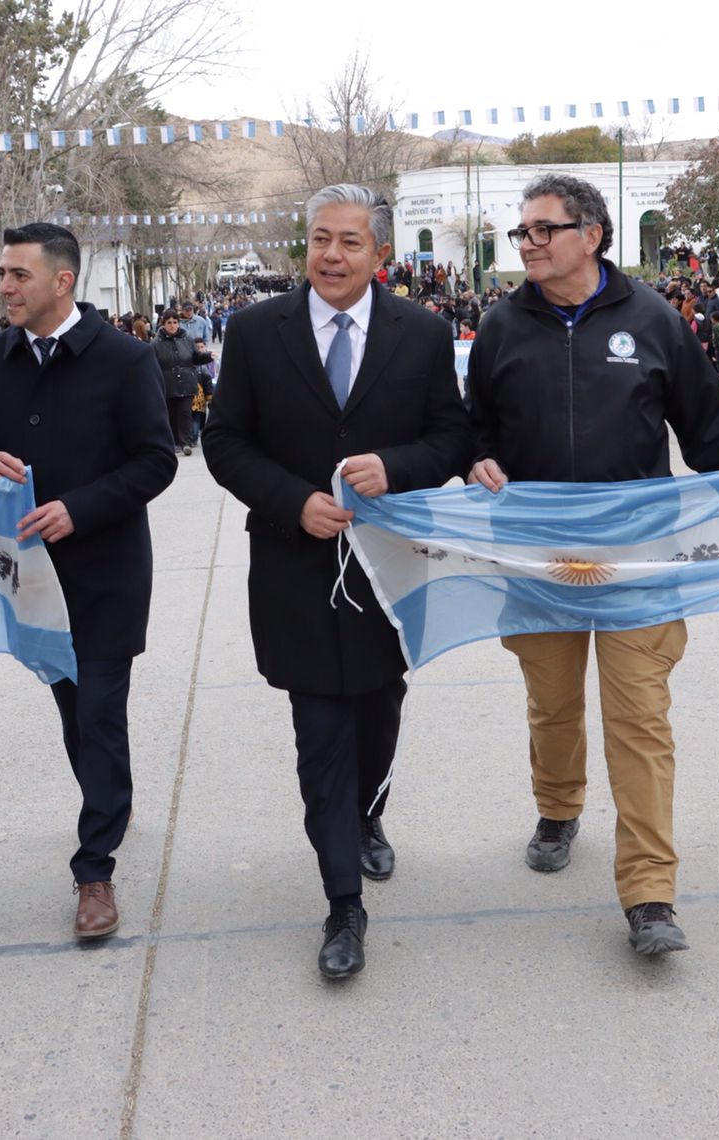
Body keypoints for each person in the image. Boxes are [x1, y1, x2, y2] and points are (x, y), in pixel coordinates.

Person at [466, 173, 719, 956]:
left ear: (590, 235)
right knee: (552, 705)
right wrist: (477, 456)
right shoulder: (500, 327)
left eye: (542, 230)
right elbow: (471, 427)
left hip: (641, 562)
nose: (526, 243)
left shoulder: (654, 320)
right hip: (539, 558)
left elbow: (714, 441)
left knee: (640, 722)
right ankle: (558, 808)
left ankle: (650, 894)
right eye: (521, 231)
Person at [203, 185, 473, 979]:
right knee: (319, 731)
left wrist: (396, 468)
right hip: (295, 567)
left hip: (389, 570)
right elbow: (225, 443)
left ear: (379, 255)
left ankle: (369, 815)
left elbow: (451, 438)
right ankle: (342, 902)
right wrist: (294, 501)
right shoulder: (256, 332)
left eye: (351, 243)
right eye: (320, 239)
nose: (331, 255)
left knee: (378, 713)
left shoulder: (421, 333)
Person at [0, 222, 177, 939]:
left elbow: (155, 460)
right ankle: (113, 797)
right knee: (75, 710)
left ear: (62, 280)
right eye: (3, 273)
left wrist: (79, 509)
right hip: (31, 579)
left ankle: (94, 870)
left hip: (107, 571)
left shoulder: (124, 356)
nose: (5, 287)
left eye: (18, 275)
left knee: (101, 709)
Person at [151, 309, 210, 457]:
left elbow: (196, 358)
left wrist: (208, 356)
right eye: (169, 323)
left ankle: (185, 442)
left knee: (185, 413)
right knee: (170, 413)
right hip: (167, 383)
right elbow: (151, 364)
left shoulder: (187, 339)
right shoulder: (156, 343)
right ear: (163, 324)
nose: (172, 326)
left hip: (186, 381)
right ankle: (174, 442)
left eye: (175, 322)